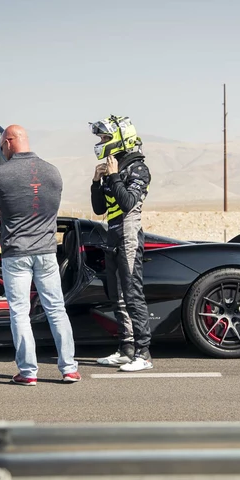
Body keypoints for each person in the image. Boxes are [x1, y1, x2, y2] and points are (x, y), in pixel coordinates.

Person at [0, 125, 80, 386]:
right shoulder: (53, 172)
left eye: (2, 145)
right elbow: (49, 208)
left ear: (9, 141)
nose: (2, 150)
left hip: (16, 253)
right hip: (47, 251)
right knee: (56, 310)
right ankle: (69, 369)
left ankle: (28, 373)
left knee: (19, 313)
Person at [89, 115, 153, 372]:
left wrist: (114, 176)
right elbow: (98, 209)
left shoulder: (138, 169)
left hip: (128, 233)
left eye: (105, 138)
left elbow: (127, 203)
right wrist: (96, 181)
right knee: (117, 295)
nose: (102, 142)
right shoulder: (111, 169)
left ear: (119, 139)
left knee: (132, 292)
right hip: (112, 233)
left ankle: (144, 353)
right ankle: (126, 349)